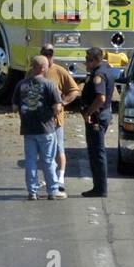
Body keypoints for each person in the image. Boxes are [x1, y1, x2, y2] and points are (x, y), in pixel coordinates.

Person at [11, 56, 64, 200]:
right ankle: (52, 190)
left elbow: (15, 107)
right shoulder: (49, 84)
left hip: (28, 128)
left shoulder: (21, 85)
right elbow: (57, 107)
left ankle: (32, 191)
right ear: (43, 68)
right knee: (48, 161)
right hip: (46, 128)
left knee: (30, 161)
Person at [40, 43, 81, 195]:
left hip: (55, 120)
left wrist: (62, 103)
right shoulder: (34, 70)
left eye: (50, 54)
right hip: (39, 120)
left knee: (59, 149)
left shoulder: (59, 71)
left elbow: (74, 90)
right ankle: (49, 178)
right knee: (43, 151)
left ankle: (60, 178)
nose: (48, 56)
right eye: (45, 53)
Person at [80, 46, 115, 198]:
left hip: (97, 118)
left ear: (95, 60)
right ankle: (99, 187)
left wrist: (89, 112)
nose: (86, 63)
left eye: (88, 60)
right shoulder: (106, 69)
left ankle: (100, 188)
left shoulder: (99, 74)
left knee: (96, 153)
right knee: (96, 152)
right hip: (103, 114)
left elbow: (100, 98)